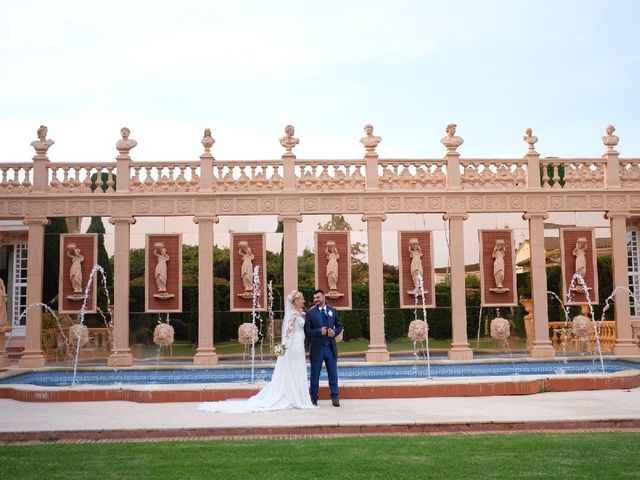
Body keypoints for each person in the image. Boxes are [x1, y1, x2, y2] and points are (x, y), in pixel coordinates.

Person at [198, 290, 316, 413]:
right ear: (295, 301)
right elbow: (288, 331)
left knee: (297, 368)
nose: (303, 300)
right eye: (301, 298)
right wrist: (284, 346)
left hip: (299, 343)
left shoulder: (300, 312)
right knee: (294, 368)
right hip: (294, 346)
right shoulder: (292, 314)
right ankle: (294, 396)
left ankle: (297, 394)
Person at [305, 289, 343, 407]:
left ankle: (335, 397)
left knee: (333, 374)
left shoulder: (333, 311)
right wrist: (318, 331)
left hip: (330, 348)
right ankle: (314, 398)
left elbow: (340, 326)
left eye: (318, 297)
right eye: (314, 298)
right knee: (315, 374)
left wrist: (334, 332)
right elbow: (307, 331)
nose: (316, 300)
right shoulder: (311, 313)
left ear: (324, 297)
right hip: (317, 348)